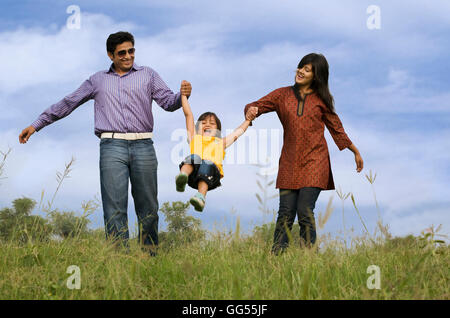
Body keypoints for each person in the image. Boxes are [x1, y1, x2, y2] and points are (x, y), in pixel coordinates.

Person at [18, 31, 192, 256]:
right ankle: (119, 261)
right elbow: (69, 102)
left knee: (148, 206)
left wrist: (182, 95)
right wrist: (36, 124)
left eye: (131, 51)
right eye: (122, 53)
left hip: (143, 145)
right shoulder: (97, 80)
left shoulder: (148, 75)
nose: (128, 56)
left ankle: (149, 258)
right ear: (110, 55)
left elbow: (168, 102)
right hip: (112, 146)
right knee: (114, 209)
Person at [244, 53, 364, 254]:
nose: (301, 71)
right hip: (289, 162)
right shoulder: (282, 95)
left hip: (315, 161)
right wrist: (251, 110)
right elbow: (257, 104)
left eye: (307, 70)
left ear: (316, 76)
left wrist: (355, 151)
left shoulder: (321, 101)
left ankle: (309, 258)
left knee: (305, 210)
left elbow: (337, 129)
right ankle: (277, 259)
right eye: (301, 67)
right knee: (285, 213)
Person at [175, 83, 258, 212]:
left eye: (212, 123)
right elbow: (188, 115)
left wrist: (248, 120)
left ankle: (200, 197)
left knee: (207, 163)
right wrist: (184, 96)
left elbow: (238, 132)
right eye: (203, 123)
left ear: (218, 130)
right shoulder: (194, 137)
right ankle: (182, 178)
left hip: (211, 177)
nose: (207, 125)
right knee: (194, 157)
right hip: (193, 176)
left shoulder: (220, 142)